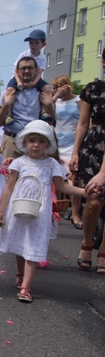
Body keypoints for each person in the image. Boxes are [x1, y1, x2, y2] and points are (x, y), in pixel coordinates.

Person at [0, 121, 85, 302]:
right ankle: (20, 274)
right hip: (18, 207)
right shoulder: (18, 163)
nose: (36, 145)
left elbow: (62, 186)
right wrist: (1, 210)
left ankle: (26, 287)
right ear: (25, 142)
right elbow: (9, 187)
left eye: (41, 141)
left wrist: (84, 192)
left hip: (41, 212)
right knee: (20, 242)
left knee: (34, 246)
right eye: (32, 140)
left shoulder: (51, 164)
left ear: (48, 144)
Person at [70, 48, 105, 272]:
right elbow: (82, 123)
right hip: (94, 148)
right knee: (93, 201)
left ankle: (103, 251)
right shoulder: (92, 89)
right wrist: (75, 152)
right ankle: (87, 242)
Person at [0, 57, 55, 159]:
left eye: (30, 68)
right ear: (18, 71)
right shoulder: (8, 93)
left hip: (36, 145)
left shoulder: (43, 92)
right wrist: (7, 104)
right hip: (12, 143)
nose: (26, 71)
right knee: (11, 174)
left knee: (34, 175)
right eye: (23, 68)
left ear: (36, 70)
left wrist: (49, 106)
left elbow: (52, 123)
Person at [51, 74, 82, 228]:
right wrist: (55, 96)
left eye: (58, 86)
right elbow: (46, 112)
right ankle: (53, 211)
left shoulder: (78, 101)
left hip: (72, 144)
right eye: (54, 87)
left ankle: (75, 214)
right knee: (55, 179)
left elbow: (84, 121)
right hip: (57, 144)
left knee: (73, 179)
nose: (55, 89)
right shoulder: (55, 101)